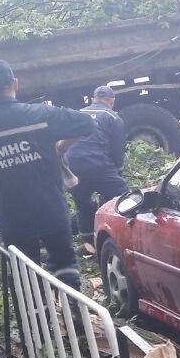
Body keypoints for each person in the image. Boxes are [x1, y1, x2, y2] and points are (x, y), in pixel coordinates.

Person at [0, 59, 97, 290]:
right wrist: (60, 148)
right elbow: (87, 124)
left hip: (12, 216)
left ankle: (40, 320)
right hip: (50, 208)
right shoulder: (41, 115)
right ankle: (75, 318)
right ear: (15, 83)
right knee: (65, 266)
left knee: (27, 280)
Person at [66, 85, 129, 243]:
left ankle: (88, 240)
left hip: (71, 166)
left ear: (93, 99)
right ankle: (125, 234)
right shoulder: (113, 117)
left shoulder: (78, 113)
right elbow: (117, 151)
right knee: (124, 197)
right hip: (97, 164)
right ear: (111, 102)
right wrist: (117, 173)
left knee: (82, 201)